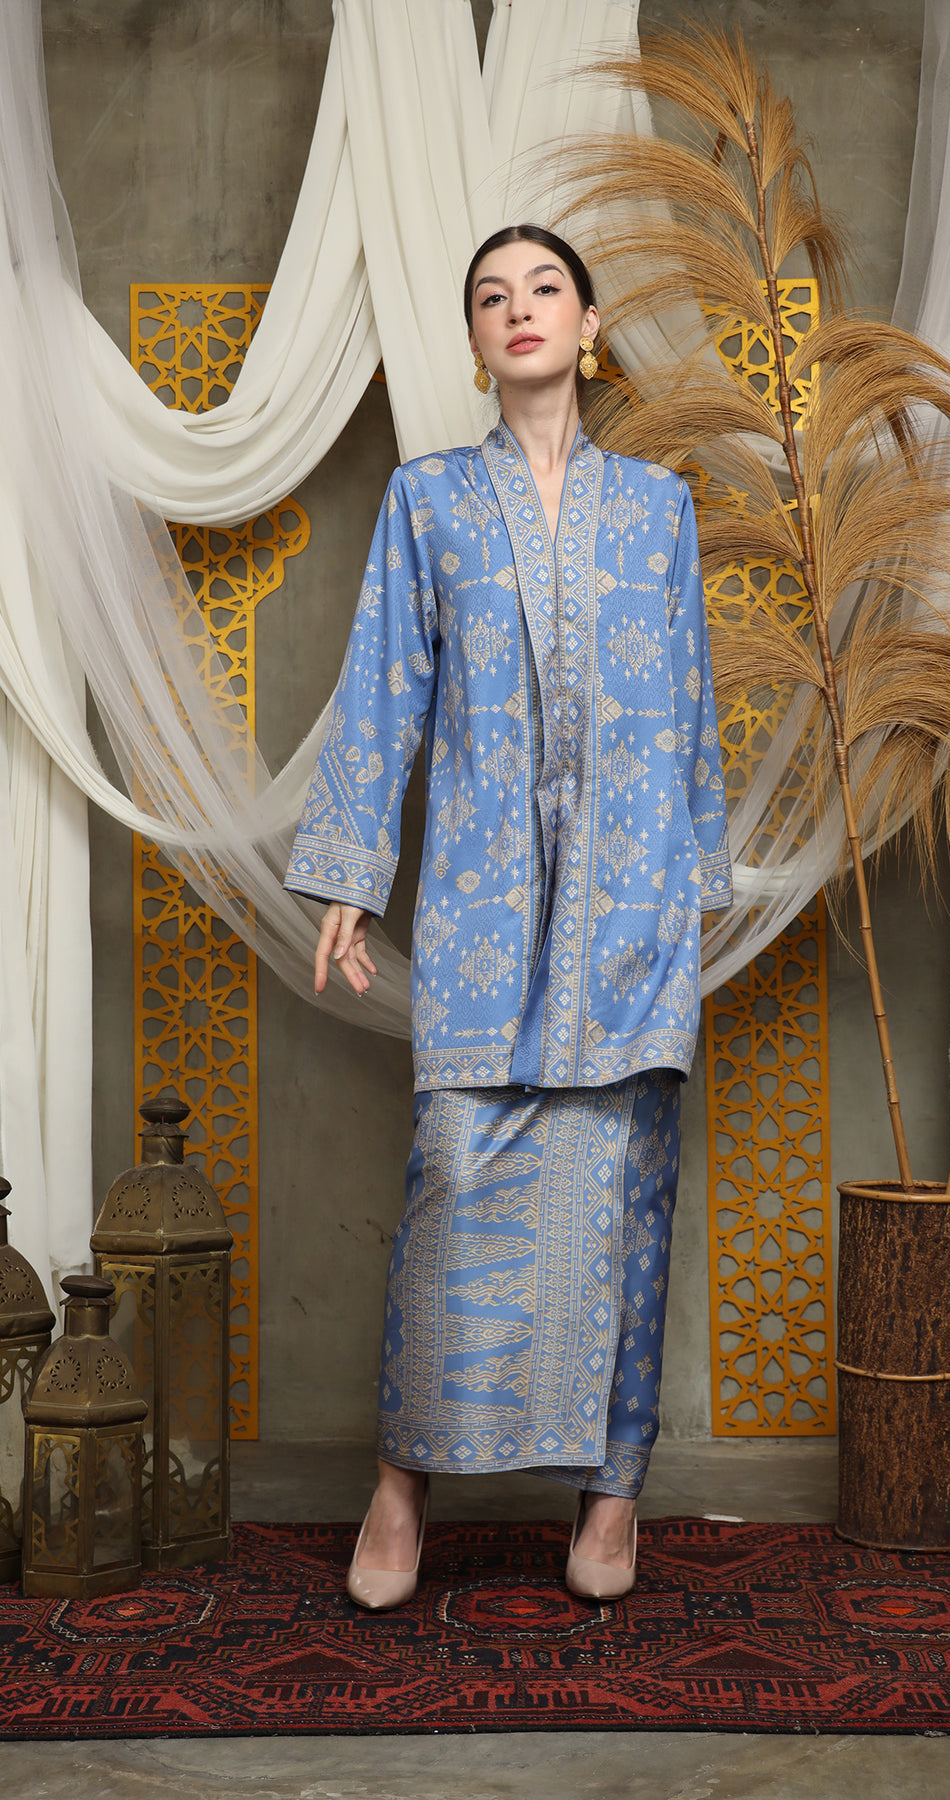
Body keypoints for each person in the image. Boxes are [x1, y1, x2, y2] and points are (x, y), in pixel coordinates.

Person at [284, 224, 732, 1609]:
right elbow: (384, 691)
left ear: (587, 326)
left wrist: (694, 890)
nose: (518, 308)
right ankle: (400, 1487)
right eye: (491, 295)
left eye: (544, 289)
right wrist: (351, 874)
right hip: (483, 912)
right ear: (475, 340)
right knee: (455, 1182)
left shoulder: (655, 507)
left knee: (626, 1196)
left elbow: (690, 712)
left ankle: (612, 1495)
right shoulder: (428, 502)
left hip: (630, 908)